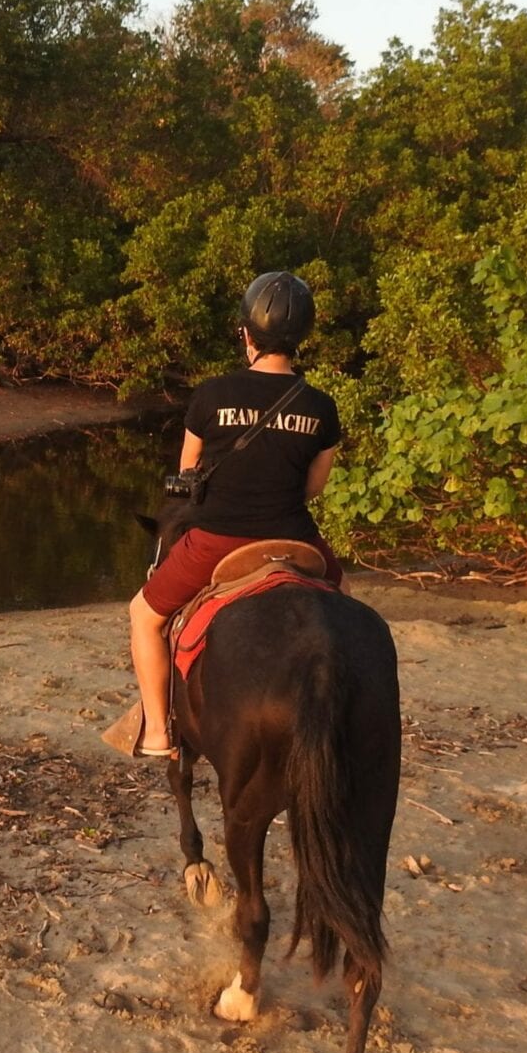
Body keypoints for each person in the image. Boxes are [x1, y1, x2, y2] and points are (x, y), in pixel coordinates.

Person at [127, 270, 344, 757]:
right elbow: (312, 489)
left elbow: (188, 474)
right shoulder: (321, 407)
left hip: (218, 540)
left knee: (143, 616)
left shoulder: (211, 395)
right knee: (345, 605)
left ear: (246, 333)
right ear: (301, 338)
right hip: (296, 538)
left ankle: (159, 732)